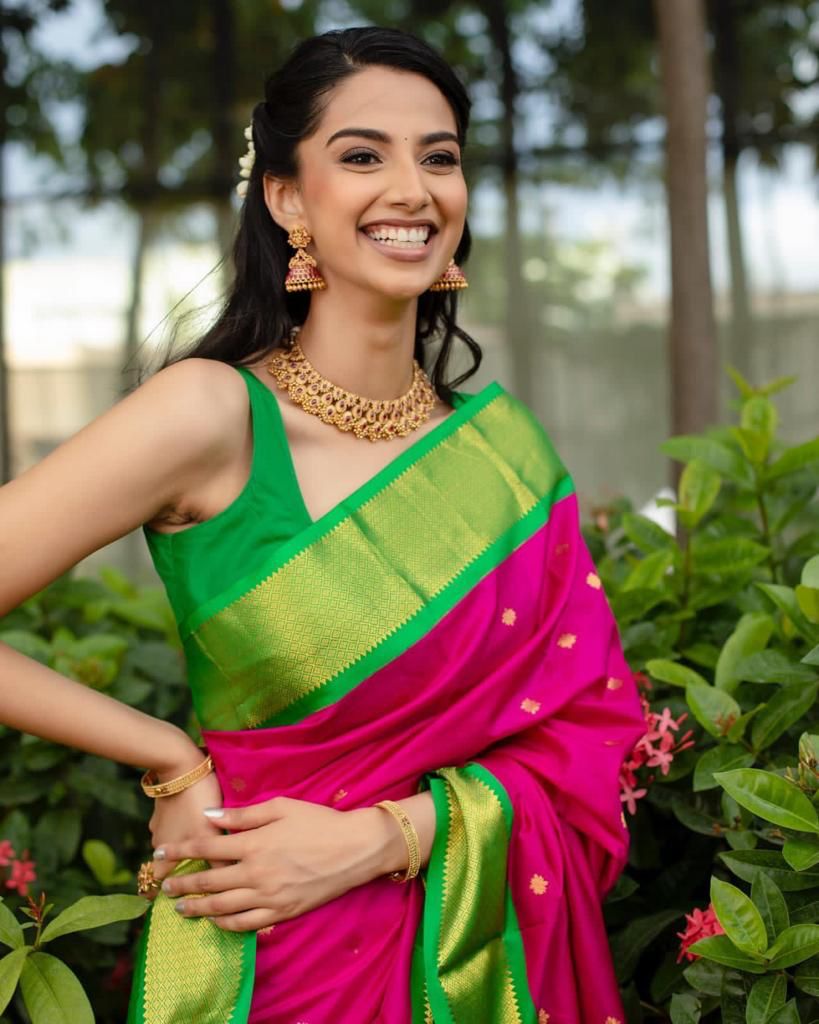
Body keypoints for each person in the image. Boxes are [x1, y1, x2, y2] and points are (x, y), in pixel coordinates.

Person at [0, 26, 645, 1024]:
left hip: (476, 959)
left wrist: (395, 834)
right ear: (287, 196)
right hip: (267, 961)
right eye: (361, 155)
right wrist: (168, 754)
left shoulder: (505, 458)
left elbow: (590, 736)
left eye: (440, 156)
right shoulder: (210, 417)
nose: (413, 189)